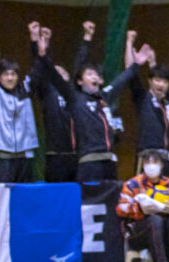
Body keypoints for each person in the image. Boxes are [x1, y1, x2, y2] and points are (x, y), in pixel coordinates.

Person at [38, 39, 142, 183]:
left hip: (110, 161)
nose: (94, 77)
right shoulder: (75, 98)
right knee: (90, 197)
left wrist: (136, 64)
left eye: (95, 75)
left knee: (111, 196)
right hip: (89, 162)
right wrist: (43, 56)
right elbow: (56, 79)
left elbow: (120, 81)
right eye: (89, 74)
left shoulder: (104, 97)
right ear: (80, 81)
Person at [0, 27, 37, 183]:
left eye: (13, 74)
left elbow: (37, 70)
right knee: (1, 195)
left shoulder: (25, 91)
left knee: (25, 195)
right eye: (5, 74)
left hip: (24, 155)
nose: (10, 78)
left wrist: (34, 40)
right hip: (2, 156)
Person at [30, 23, 88, 183]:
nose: (59, 74)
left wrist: (86, 39)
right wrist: (39, 43)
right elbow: (41, 66)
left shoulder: (75, 95)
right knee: (55, 192)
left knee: (76, 193)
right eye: (56, 73)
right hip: (55, 156)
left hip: (77, 156)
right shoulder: (47, 92)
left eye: (63, 72)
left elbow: (80, 65)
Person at [115, 150, 169, 262]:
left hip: (164, 229)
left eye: (155, 162)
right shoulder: (132, 184)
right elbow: (120, 208)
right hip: (138, 231)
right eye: (148, 162)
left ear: (161, 165)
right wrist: (138, 207)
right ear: (143, 165)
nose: (151, 166)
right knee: (154, 220)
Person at [125, 31, 169, 172]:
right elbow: (130, 73)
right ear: (150, 81)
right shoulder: (142, 97)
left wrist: (153, 62)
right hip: (147, 157)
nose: (161, 84)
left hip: (167, 158)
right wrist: (129, 42)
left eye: (165, 81)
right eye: (157, 80)